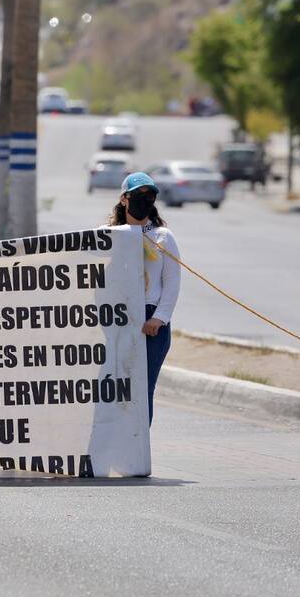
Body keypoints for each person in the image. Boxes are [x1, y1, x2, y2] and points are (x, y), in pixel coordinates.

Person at [108, 172, 180, 425]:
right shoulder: (109, 236)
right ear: (124, 199)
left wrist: (159, 319)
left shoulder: (163, 237)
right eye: (138, 195)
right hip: (118, 319)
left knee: (142, 388)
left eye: (150, 195)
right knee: (114, 386)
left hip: (151, 324)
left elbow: (171, 282)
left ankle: (138, 451)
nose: (144, 200)